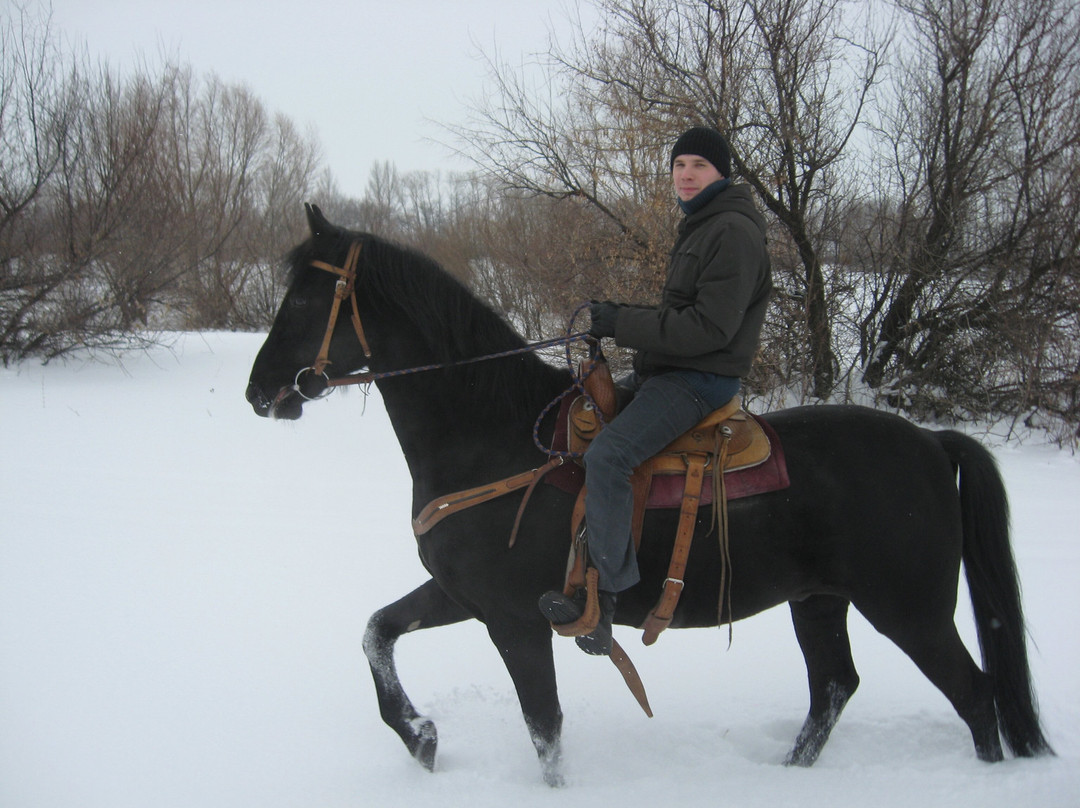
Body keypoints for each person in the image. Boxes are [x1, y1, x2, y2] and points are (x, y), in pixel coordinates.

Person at [539, 126, 773, 655]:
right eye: (679, 165)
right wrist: (617, 322)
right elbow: (679, 317)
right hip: (666, 371)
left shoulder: (732, 230)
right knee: (573, 417)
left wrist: (620, 322)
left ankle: (607, 599)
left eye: (699, 166)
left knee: (609, 457)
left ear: (722, 173)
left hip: (698, 381)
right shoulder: (702, 225)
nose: (686, 175)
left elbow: (708, 329)